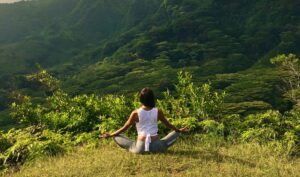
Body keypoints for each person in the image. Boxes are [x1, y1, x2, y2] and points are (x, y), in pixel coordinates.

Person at [100, 88, 189, 154]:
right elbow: (168, 125)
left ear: (141, 99)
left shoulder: (135, 113)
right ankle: (165, 143)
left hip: (141, 148)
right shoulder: (158, 111)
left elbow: (125, 127)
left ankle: (134, 147)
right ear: (152, 99)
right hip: (157, 147)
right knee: (175, 133)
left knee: (118, 137)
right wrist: (179, 130)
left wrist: (110, 134)